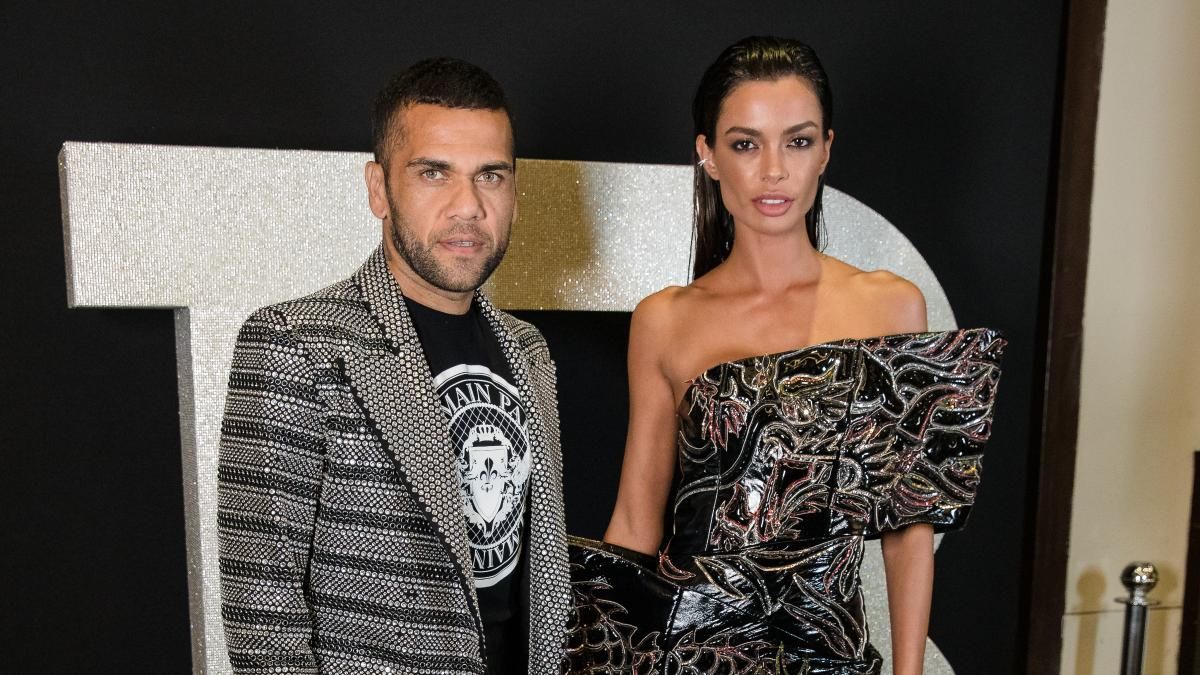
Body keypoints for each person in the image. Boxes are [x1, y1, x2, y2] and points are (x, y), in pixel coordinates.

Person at [562, 37, 1005, 675]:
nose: (773, 170)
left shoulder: (890, 306)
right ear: (708, 155)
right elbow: (635, 520)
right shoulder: (665, 320)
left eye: (796, 141)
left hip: (827, 652)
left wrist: (909, 669)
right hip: (689, 655)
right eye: (746, 144)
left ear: (825, 149)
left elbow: (909, 525)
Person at [217, 58, 569, 674]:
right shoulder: (295, 343)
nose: (468, 206)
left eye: (490, 175)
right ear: (379, 189)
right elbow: (262, 611)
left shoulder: (527, 349)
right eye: (434, 173)